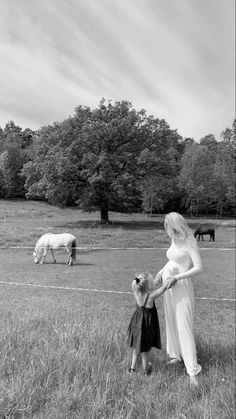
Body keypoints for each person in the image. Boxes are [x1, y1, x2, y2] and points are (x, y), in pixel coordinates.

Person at [155, 212, 202, 387]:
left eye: (167, 225)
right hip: (169, 288)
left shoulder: (189, 240)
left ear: (175, 225)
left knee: (184, 326)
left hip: (182, 288)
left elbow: (198, 267)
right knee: (171, 322)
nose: (166, 229)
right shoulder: (174, 238)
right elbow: (172, 260)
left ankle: (193, 372)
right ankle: (175, 356)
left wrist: (178, 277)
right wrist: (162, 272)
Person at [127, 270, 177, 375]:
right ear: (148, 285)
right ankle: (146, 372)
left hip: (136, 324)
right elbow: (164, 288)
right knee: (145, 351)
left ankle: (132, 369)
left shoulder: (136, 292)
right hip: (145, 327)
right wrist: (173, 276)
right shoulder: (151, 296)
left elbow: (149, 287)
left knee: (136, 348)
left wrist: (156, 280)